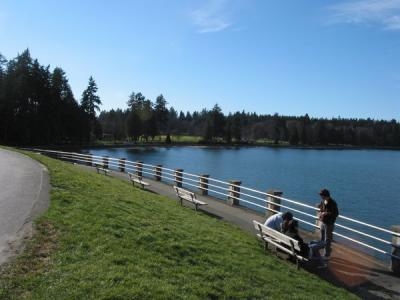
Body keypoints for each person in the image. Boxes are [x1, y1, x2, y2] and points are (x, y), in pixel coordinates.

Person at [317, 188, 339, 259]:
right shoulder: (324, 201)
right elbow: (321, 208)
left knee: (327, 239)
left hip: (329, 223)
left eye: (321, 195)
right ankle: (327, 250)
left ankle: (327, 255)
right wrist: (321, 212)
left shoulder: (332, 203)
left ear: (325, 195)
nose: (321, 196)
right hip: (323, 222)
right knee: (322, 238)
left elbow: (335, 214)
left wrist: (326, 213)